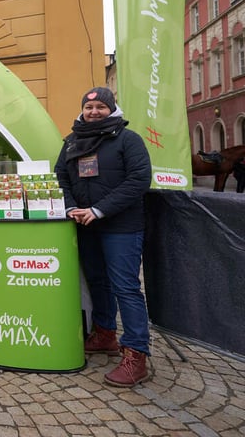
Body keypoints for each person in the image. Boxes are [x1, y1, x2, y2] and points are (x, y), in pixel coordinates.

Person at [54, 86, 152, 388]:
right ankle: (105, 334)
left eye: (100, 107)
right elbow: (61, 177)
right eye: (89, 108)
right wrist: (72, 207)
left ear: (112, 109)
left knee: (125, 287)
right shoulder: (71, 142)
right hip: (85, 224)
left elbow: (139, 180)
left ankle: (136, 353)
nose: (94, 112)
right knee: (97, 281)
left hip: (120, 226)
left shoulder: (128, 139)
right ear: (82, 111)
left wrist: (98, 209)